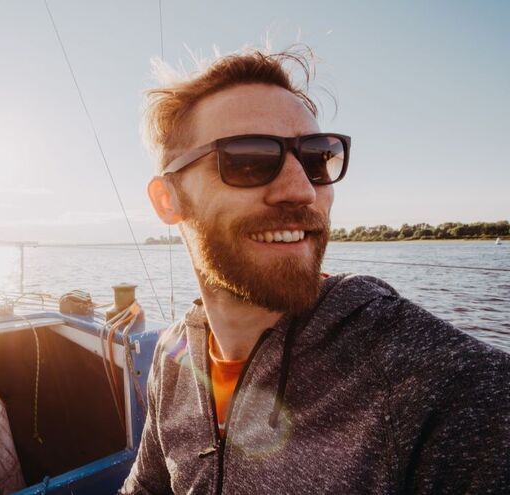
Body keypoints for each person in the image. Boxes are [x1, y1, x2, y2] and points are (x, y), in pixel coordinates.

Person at [120, 48, 510, 494]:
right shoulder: (173, 359)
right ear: (168, 199)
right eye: (248, 159)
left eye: (317, 158)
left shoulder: (433, 381)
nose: (302, 190)